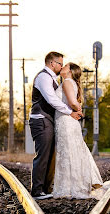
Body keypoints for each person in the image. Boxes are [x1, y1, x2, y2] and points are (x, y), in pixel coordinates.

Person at [29, 52, 83, 200]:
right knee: (43, 155)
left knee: (50, 155)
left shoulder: (53, 79)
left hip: (49, 120)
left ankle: (45, 188)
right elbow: (52, 99)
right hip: (41, 119)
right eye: (60, 63)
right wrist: (69, 112)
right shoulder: (43, 77)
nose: (61, 66)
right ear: (52, 63)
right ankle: (37, 190)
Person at [52, 62, 110, 199]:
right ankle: (74, 185)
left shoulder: (67, 81)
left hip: (65, 121)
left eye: (65, 66)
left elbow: (72, 102)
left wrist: (77, 108)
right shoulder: (71, 82)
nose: (62, 67)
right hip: (68, 121)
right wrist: (78, 108)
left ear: (70, 71)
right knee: (72, 151)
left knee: (68, 152)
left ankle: (68, 187)